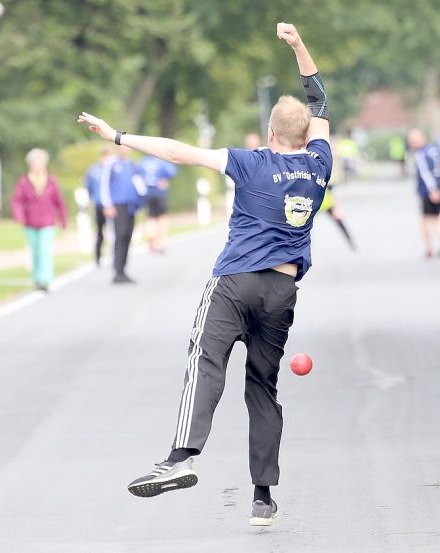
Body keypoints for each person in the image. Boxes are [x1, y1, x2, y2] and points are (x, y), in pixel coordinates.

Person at [78, 21, 331, 527]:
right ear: (305, 136)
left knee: (205, 357)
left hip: (235, 283)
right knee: (263, 385)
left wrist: (119, 136)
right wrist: (300, 46)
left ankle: (180, 458)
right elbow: (320, 105)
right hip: (282, 290)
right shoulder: (320, 164)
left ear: (269, 134)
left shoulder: (248, 161)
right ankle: (262, 497)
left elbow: (175, 150)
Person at [11, 148, 68, 291]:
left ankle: (45, 280)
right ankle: (37, 279)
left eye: (41, 163)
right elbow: (17, 201)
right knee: (35, 252)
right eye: (36, 163)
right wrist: (19, 216)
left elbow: (58, 202)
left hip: (48, 222)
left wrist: (63, 219)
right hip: (30, 222)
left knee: (44, 250)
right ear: (30, 165)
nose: (39, 166)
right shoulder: (24, 182)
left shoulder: (51, 181)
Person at [99, 145, 145, 284]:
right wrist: (107, 204)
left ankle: (123, 270)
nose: (124, 150)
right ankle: (117, 271)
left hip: (131, 205)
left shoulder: (132, 165)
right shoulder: (112, 164)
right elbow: (104, 184)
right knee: (119, 235)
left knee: (128, 236)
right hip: (117, 206)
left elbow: (139, 184)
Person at [409, 128, 440, 258]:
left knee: (425, 220)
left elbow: (426, 173)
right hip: (439, 186)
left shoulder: (421, 154)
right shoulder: (434, 151)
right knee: (436, 217)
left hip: (428, 191)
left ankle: (429, 248)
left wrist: (433, 189)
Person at [137, 154, 178, 254]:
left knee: (151, 217)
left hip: (148, 193)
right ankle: (160, 243)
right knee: (162, 218)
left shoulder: (142, 162)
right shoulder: (161, 161)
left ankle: (151, 242)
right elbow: (173, 171)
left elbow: (137, 175)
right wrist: (164, 179)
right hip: (159, 192)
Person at [85, 147, 114, 266]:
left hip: (109, 204)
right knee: (101, 231)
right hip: (102, 204)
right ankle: (98, 256)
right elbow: (89, 187)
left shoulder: (95, 170)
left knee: (108, 232)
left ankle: (110, 256)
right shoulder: (97, 170)